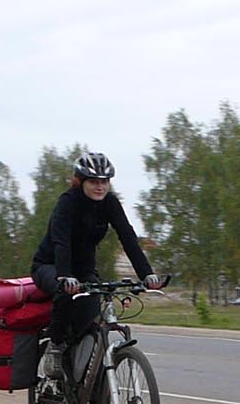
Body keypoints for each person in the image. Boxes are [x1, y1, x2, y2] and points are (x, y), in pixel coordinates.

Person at [30, 152, 161, 380]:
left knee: (90, 322)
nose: (100, 187)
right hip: (51, 266)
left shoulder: (110, 203)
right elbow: (61, 242)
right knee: (66, 294)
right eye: (93, 181)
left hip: (84, 271)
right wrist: (64, 275)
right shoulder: (68, 202)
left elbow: (127, 237)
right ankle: (55, 346)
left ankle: (88, 387)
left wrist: (146, 274)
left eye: (104, 181)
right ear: (80, 181)